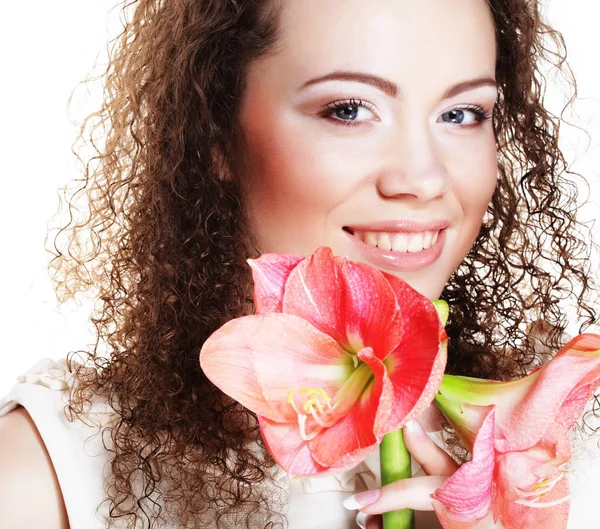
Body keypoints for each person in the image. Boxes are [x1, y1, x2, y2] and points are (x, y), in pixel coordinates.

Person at [0, 0, 598, 528]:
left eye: (463, 113)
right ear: (214, 136)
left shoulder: (561, 466)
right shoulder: (46, 476)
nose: (422, 179)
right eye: (347, 110)